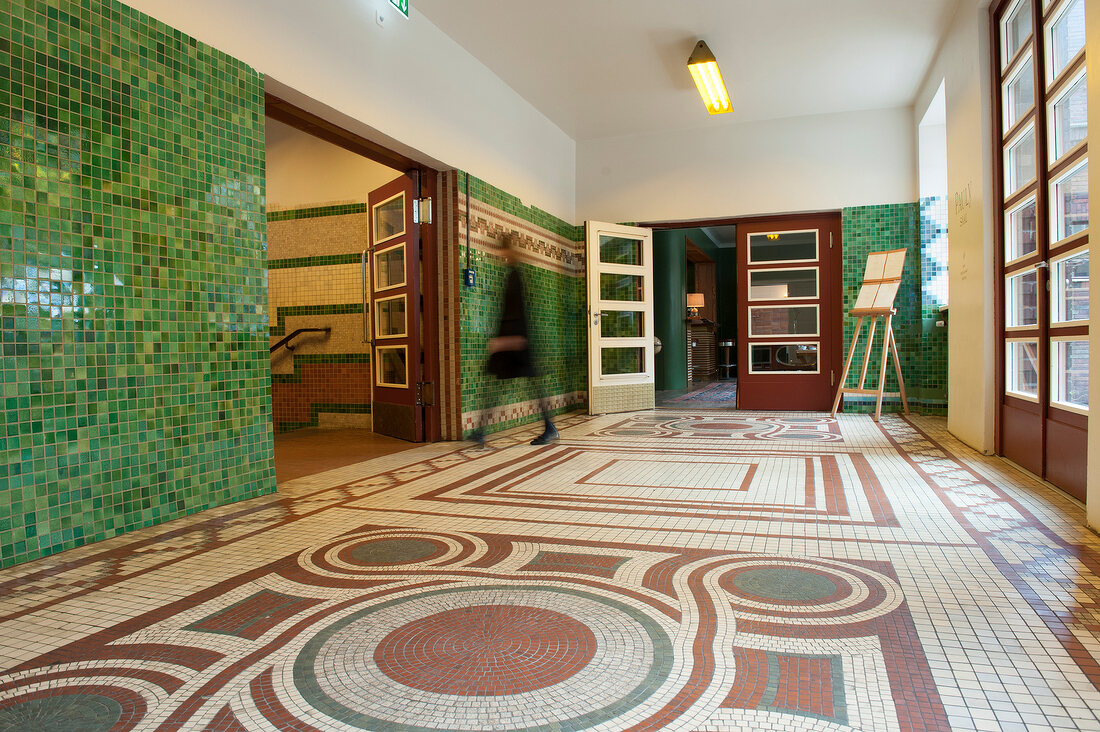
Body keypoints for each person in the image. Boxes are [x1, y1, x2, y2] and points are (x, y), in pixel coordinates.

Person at [469, 234, 559, 447]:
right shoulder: (512, 274)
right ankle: (481, 431)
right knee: (499, 386)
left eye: (499, 251)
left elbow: (518, 311)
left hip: (516, 342)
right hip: (511, 340)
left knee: (530, 386)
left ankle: (550, 428)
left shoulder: (516, 275)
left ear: (506, 251)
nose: (498, 256)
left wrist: (507, 341)